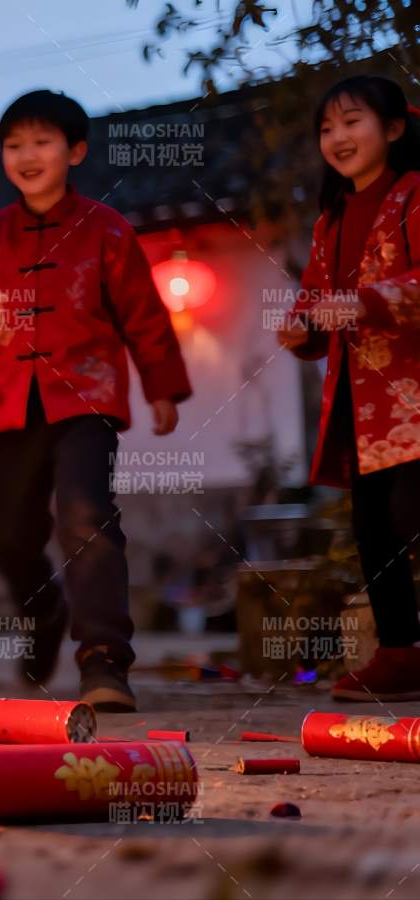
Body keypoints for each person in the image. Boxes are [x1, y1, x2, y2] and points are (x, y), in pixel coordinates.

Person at [0, 90, 191, 712]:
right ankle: (43, 612)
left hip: (86, 401)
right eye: (14, 145)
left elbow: (144, 315)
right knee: (7, 536)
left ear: (75, 151)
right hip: (9, 405)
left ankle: (103, 660)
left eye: (42, 142)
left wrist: (162, 385)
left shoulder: (106, 230)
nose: (27, 155)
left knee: (86, 517)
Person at [278, 75, 420, 700]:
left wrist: (365, 302)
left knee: (411, 514)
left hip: (413, 392)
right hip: (360, 405)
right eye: (327, 128)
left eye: (352, 121)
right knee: (373, 527)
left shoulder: (414, 194)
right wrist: (301, 327)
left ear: (394, 129)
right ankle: (400, 653)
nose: (337, 136)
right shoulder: (330, 221)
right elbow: (315, 298)